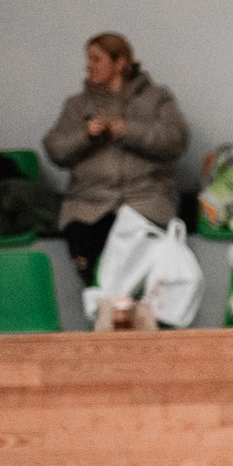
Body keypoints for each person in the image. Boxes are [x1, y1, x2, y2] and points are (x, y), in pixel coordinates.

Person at [42, 32, 189, 284]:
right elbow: (55, 150)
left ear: (120, 63)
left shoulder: (157, 99)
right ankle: (102, 299)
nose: (89, 66)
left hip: (145, 201)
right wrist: (85, 135)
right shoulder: (76, 105)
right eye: (88, 59)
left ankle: (131, 305)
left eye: (96, 59)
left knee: (139, 268)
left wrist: (127, 130)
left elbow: (176, 141)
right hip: (89, 204)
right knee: (87, 251)